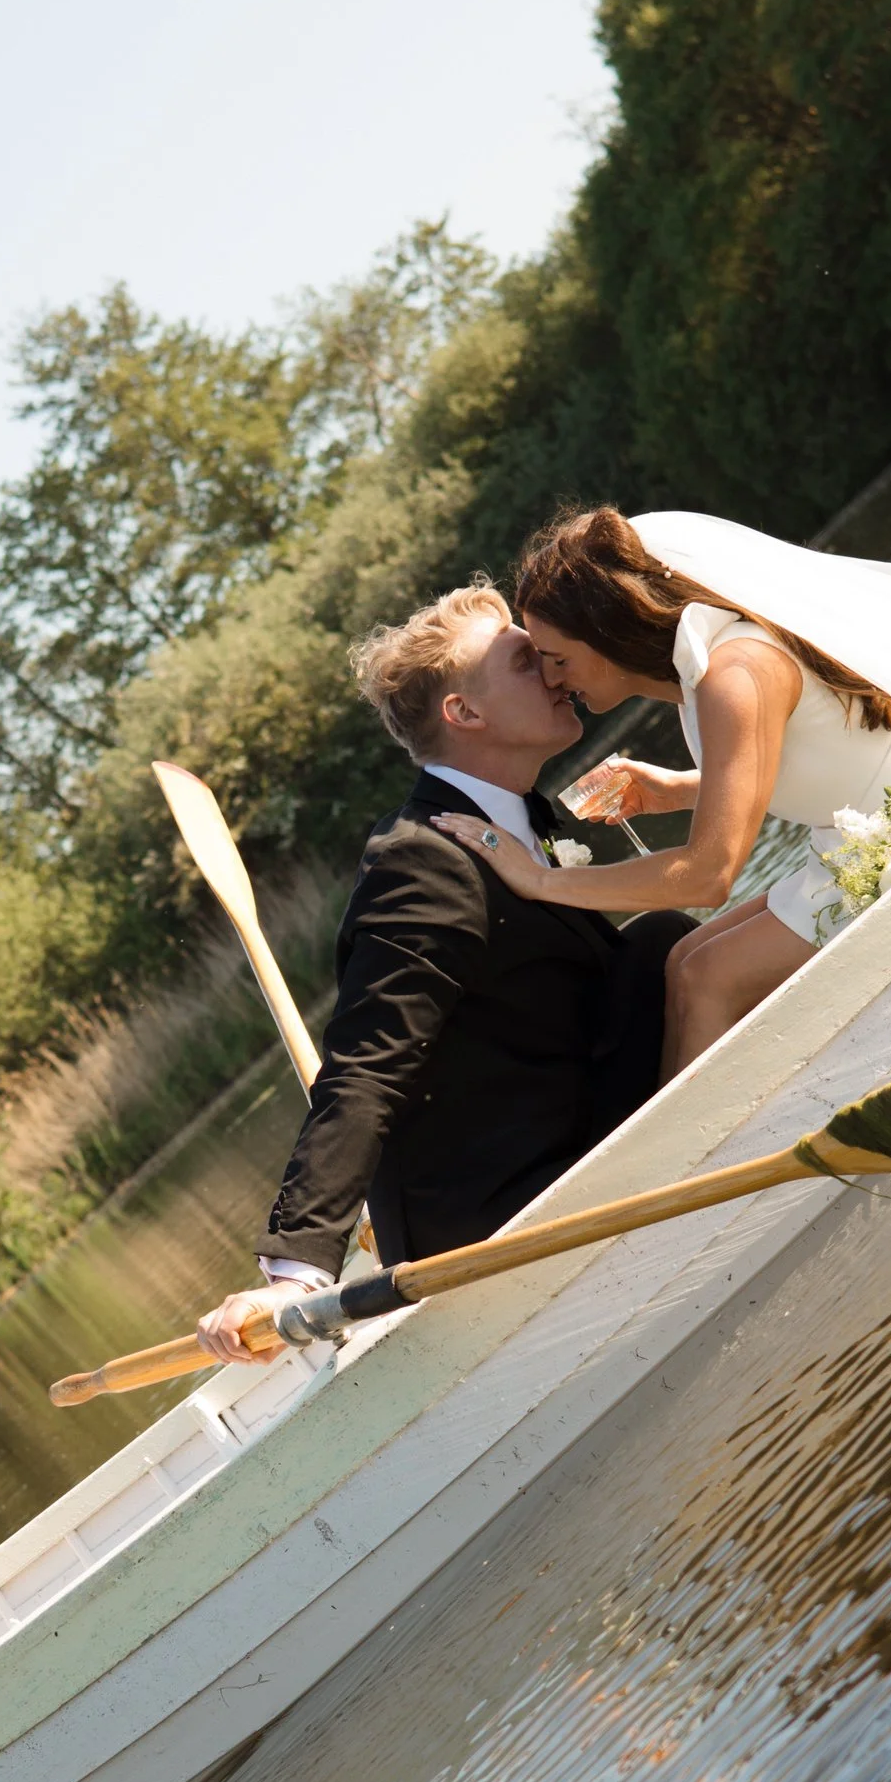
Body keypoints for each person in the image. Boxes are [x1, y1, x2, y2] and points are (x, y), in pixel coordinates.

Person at [194, 583, 689, 1368]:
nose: (558, 670)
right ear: (466, 714)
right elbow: (365, 1072)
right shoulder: (419, 862)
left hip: (571, 1122)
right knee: (666, 945)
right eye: (527, 661)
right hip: (498, 1223)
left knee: (664, 946)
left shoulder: (519, 818)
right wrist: (296, 1271)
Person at [435, 504, 891, 1070]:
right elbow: (802, 758)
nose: (553, 680)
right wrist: (680, 788)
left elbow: (708, 875)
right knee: (685, 959)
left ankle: (683, 1183)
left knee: (706, 980)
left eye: (556, 658)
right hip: (865, 829)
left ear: (604, 631)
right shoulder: (707, 664)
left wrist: (540, 880)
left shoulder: (732, 674)